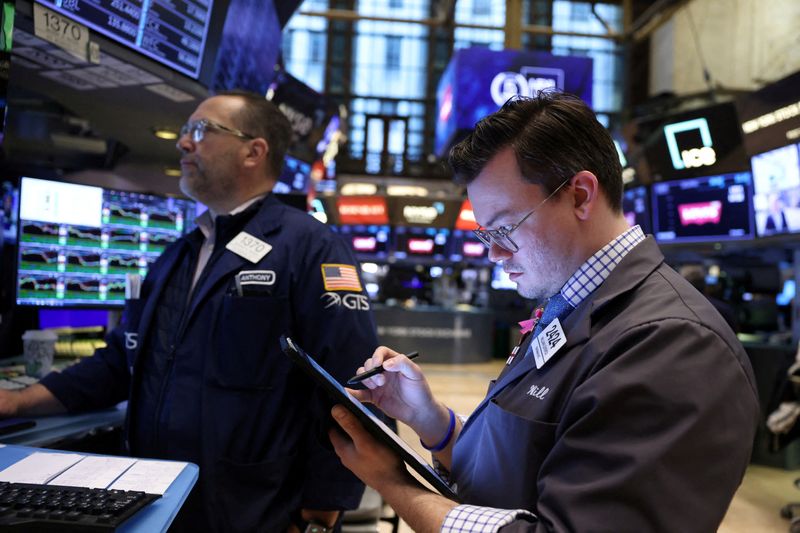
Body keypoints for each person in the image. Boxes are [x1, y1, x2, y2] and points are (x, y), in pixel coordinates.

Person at [328, 93, 760, 533]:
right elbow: (515, 470)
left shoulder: (673, 345)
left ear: (580, 195)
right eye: (484, 232)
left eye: (505, 227)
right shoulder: (570, 306)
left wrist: (393, 483)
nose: (493, 252)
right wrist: (429, 419)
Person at [0, 91, 379, 532]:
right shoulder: (177, 256)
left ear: (254, 151)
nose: (183, 143)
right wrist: (15, 403)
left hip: (257, 506)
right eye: (185, 131)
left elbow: (350, 383)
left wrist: (323, 508)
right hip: (157, 498)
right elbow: (117, 364)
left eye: (201, 131)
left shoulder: (310, 246)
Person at [678, 264, 740, 333]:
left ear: (682, 284)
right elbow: (734, 335)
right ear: (704, 284)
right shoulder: (722, 309)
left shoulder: (677, 309)